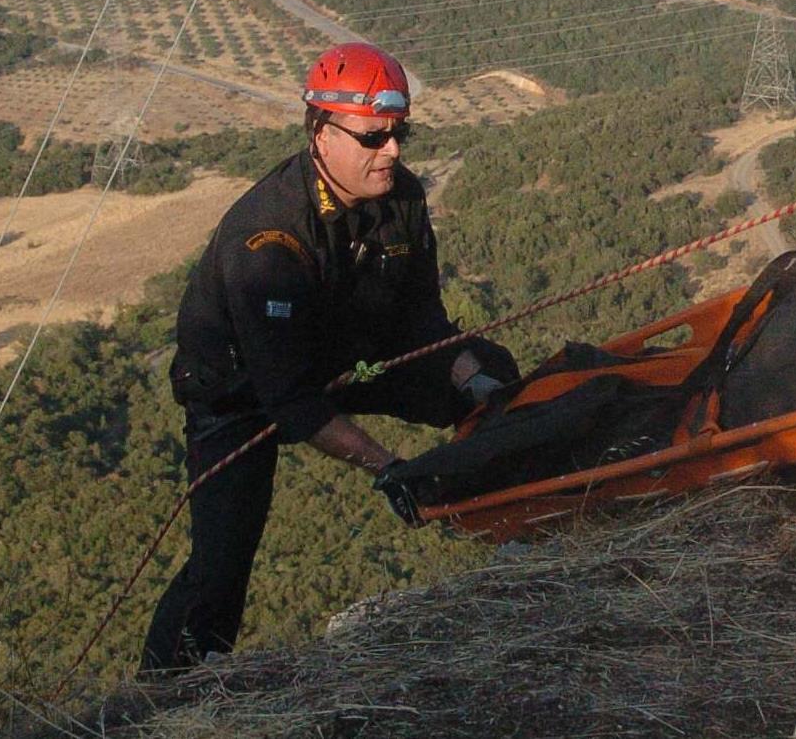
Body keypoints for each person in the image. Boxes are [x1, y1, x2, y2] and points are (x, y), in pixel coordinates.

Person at [140, 41, 517, 673]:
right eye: (374, 138)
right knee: (223, 557)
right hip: (240, 392)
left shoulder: (400, 198)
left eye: (400, 134)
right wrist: (388, 467)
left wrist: (473, 381)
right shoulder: (268, 239)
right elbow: (288, 401)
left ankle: (516, 512)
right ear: (321, 132)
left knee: (494, 368)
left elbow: (421, 316)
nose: (392, 151)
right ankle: (167, 691)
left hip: (346, 356)